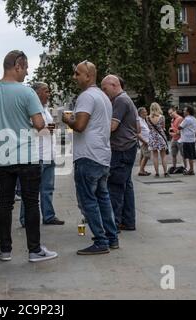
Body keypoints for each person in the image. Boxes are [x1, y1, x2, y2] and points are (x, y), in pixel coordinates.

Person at [0, 50, 58, 263]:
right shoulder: (27, 92)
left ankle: (5, 250)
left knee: (5, 204)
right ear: (17, 66)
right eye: (26, 67)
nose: (27, 72)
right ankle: (34, 250)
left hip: (2, 157)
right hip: (27, 156)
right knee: (31, 203)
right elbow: (39, 124)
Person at [62, 61, 118, 255]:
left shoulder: (86, 97)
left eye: (78, 74)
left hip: (88, 155)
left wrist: (66, 119)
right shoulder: (103, 96)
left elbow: (79, 126)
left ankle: (101, 241)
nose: (74, 77)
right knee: (103, 198)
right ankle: (112, 238)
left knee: (88, 201)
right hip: (102, 155)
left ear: (89, 76)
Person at [19, 82, 65, 227]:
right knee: (31, 190)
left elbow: (46, 128)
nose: (48, 94)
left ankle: (49, 216)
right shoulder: (30, 109)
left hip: (48, 154)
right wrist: (45, 129)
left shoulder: (45, 109)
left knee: (47, 188)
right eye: (45, 91)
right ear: (37, 93)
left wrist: (50, 128)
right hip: (36, 155)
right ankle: (25, 219)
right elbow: (27, 129)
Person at [101, 75, 139, 232]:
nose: (104, 92)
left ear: (114, 84)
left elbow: (112, 127)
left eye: (105, 88)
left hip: (121, 149)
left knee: (115, 187)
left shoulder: (120, 100)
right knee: (126, 185)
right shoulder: (127, 100)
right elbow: (138, 128)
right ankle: (128, 221)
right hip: (129, 147)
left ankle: (114, 225)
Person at [147, 103, 169, 177]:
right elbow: (163, 127)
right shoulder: (162, 117)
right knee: (163, 155)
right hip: (160, 136)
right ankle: (165, 172)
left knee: (155, 156)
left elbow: (149, 128)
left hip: (152, 137)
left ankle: (157, 173)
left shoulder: (148, 118)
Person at [179, 106, 196, 176]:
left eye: (184, 110)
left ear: (188, 112)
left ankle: (191, 170)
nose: (183, 112)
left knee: (189, 156)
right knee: (191, 155)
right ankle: (191, 169)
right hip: (192, 139)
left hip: (186, 139)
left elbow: (180, 127)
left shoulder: (187, 119)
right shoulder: (194, 119)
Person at [168, 107, 186, 171]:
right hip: (174, 139)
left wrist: (175, 133)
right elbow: (173, 128)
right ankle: (174, 167)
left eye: (171, 112)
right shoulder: (172, 120)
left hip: (180, 139)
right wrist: (170, 131)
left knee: (183, 154)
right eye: (169, 114)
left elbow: (181, 130)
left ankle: (186, 168)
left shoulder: (180, 118)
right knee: (173, 154)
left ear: (175, 111)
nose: (170, 114)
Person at [137, 107, 151, 176]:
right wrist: (144, 141)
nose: (146, 113)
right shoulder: (139, 121)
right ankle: (141, 171)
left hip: (146, 141)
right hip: (144, 141)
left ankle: (142, 169)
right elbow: (137, 133)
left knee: (142, 156)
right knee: (146, 156)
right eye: (145, 112)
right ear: (140, 113)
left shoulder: (143, 120)